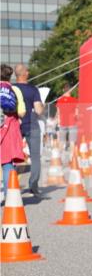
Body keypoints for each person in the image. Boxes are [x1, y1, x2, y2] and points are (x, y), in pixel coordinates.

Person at [13, 64, 44, 196]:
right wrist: (41, 106)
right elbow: (38, 110)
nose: (29, 71)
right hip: (31, 125)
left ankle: (11, 184)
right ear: (24, 74)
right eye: (27, 70)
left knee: (11, 156)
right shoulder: (33, 89)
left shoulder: (11, 89)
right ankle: (33, 186)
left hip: (15, 125)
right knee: (35, 157)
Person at [1, 64, 26, 203]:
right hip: (9, 126)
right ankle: (9, 197)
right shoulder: (14, 89)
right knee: (7, 164)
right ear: (10, 76)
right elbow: (22, 112)